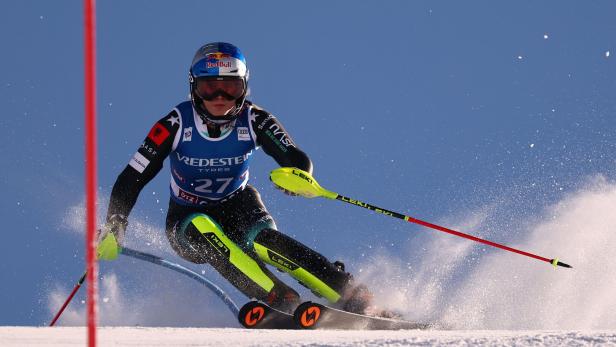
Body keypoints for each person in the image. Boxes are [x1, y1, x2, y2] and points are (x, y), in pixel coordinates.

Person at [96, 42, 372, 314]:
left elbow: (293, 155)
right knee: (204, 228)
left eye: (230, 88)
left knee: (263, 241)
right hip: (185, 217)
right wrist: (115, 221)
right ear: (194, 88)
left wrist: (299, 175)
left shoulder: (254, 119)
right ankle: (280, 299)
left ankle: (348, 292)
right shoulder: (176, 123)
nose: (219, 97)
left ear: (243, 87)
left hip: (240, 205)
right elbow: (133, 175)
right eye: (209, 87)